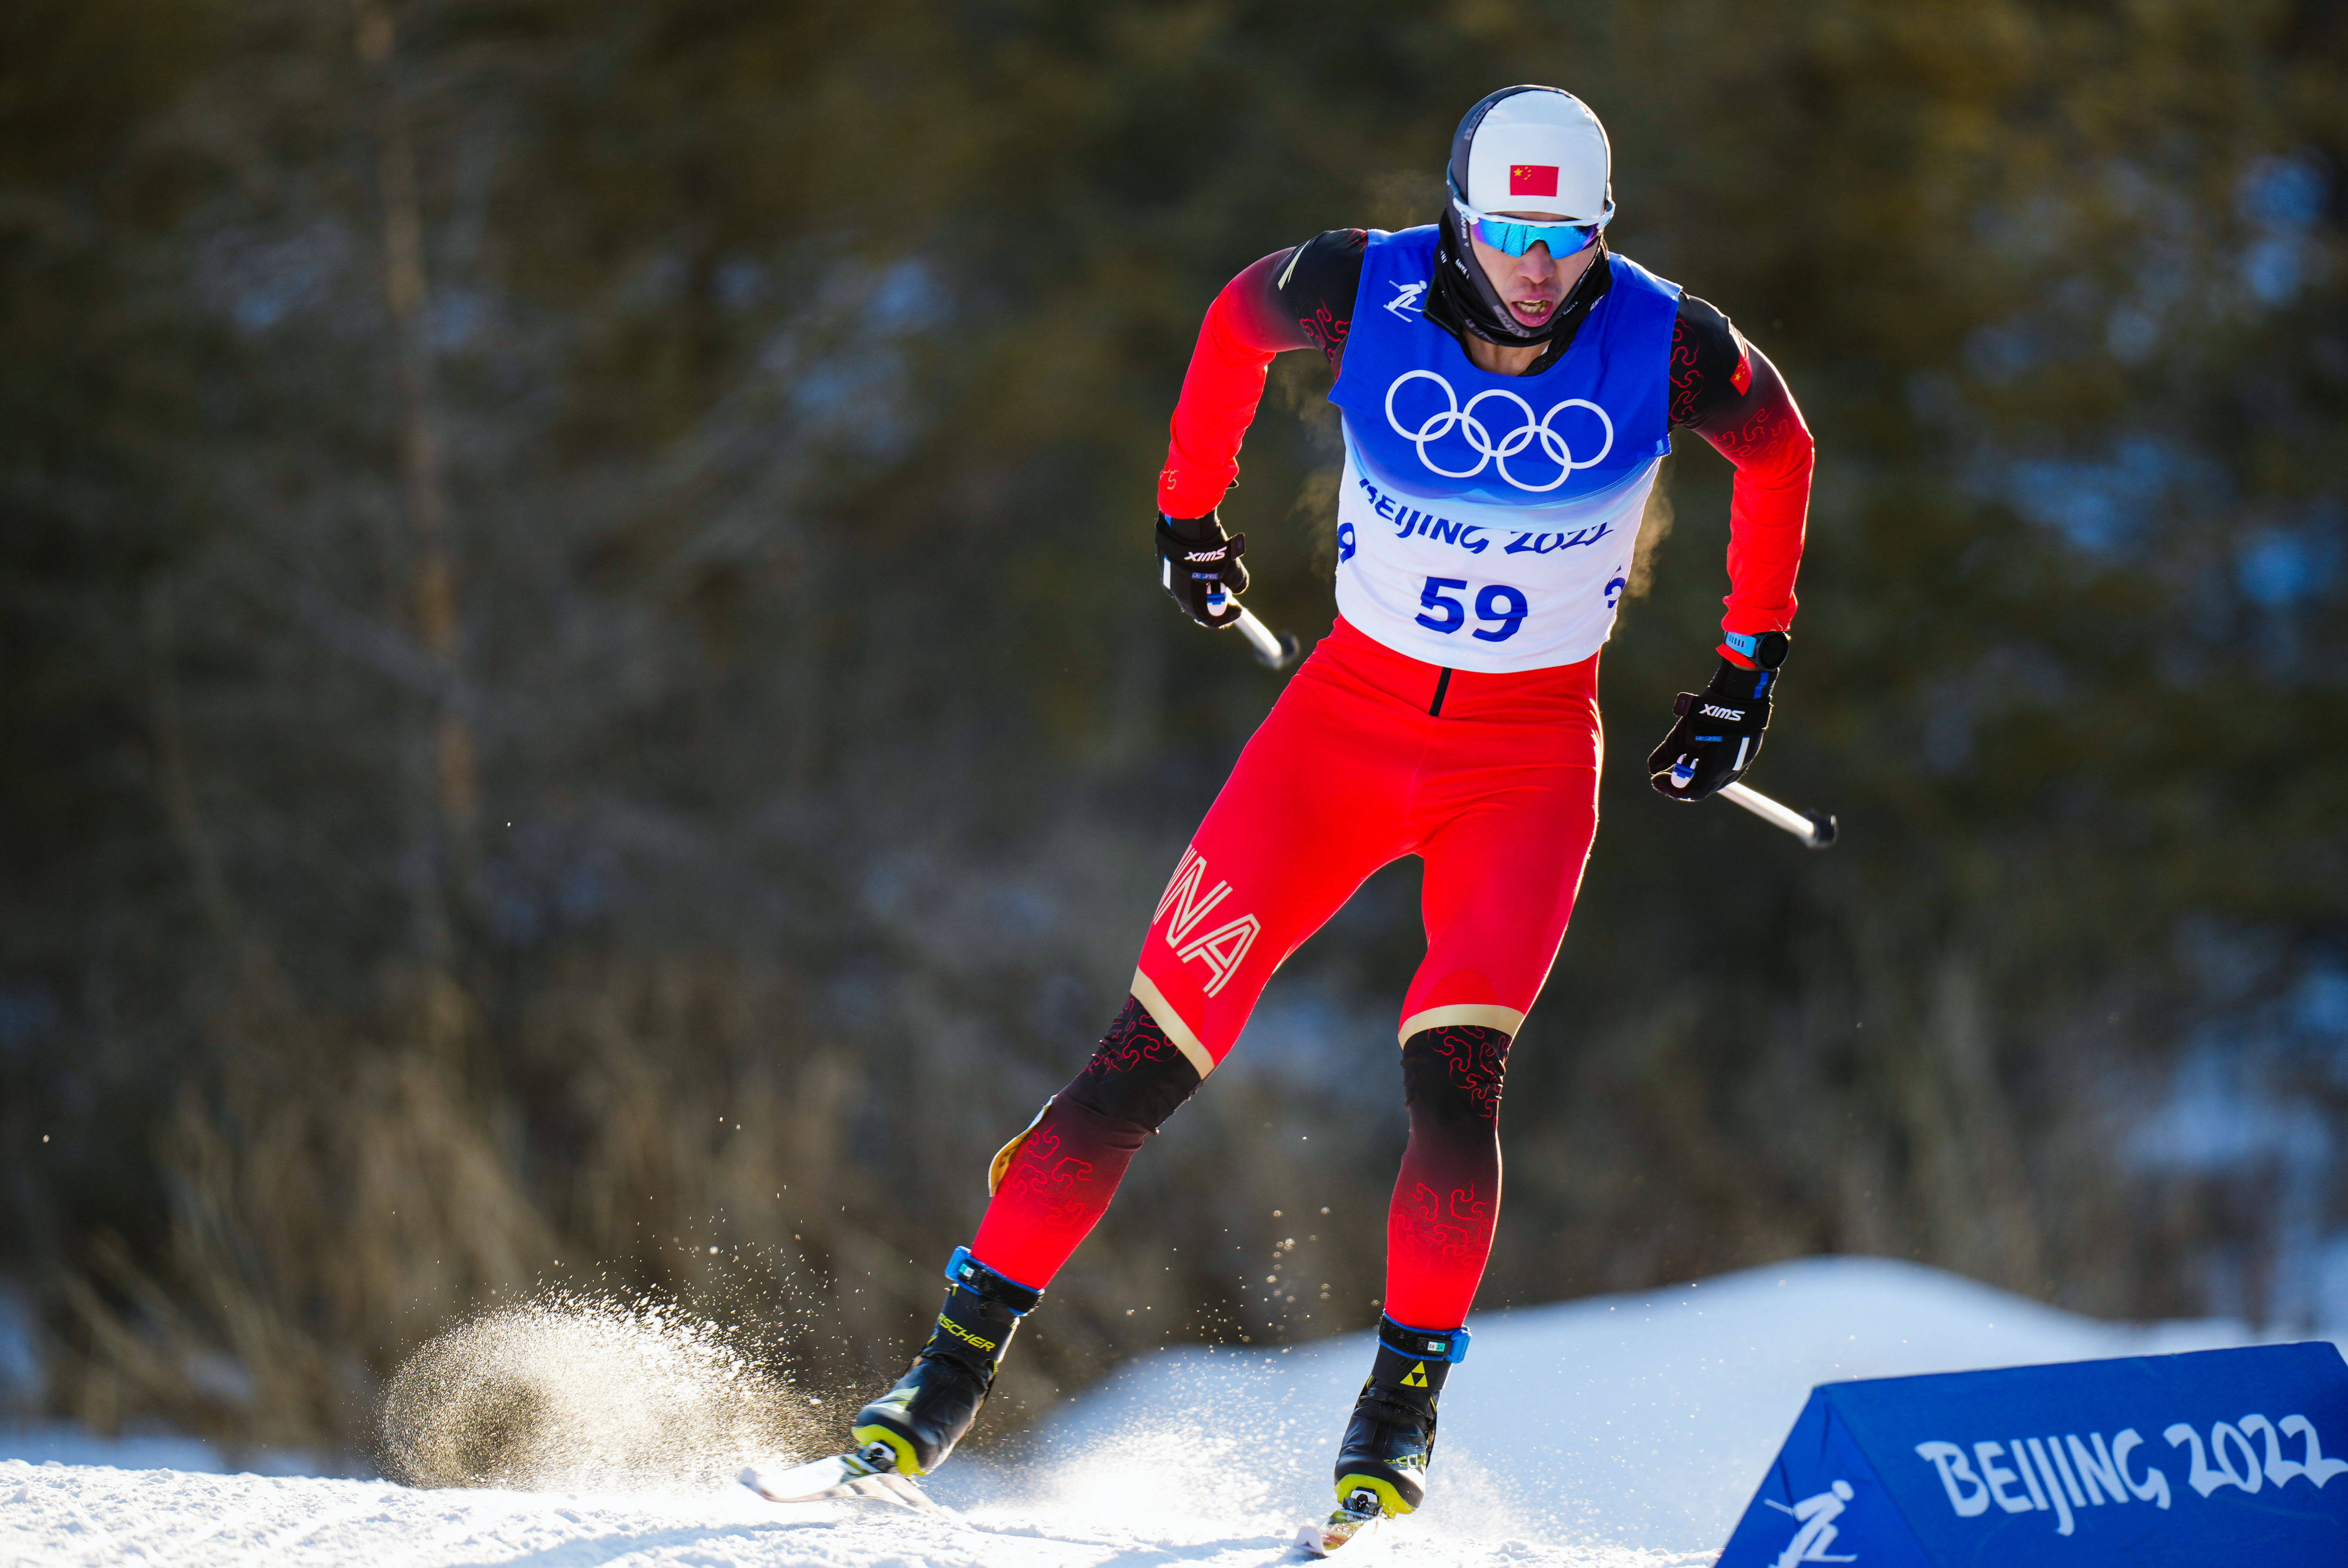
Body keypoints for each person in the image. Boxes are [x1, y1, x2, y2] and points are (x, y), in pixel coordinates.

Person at [841, 84, 1814, 1533]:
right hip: (1337, 734)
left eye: (1565, 235)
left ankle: (1400, 1403)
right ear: (1458, 216)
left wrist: (1749, 661)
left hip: (1527, 758)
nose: (1536, 266)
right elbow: (1232, 325)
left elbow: (1782, 446)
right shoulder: (1357, 286)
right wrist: (1187, 511)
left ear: (1603, 231)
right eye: (1507, 229)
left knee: (1454, 1086)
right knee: (1131, 1070)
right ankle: (951, 1364)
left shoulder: (1670, 342)